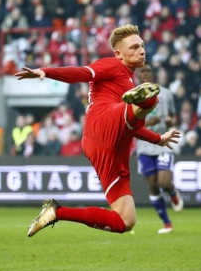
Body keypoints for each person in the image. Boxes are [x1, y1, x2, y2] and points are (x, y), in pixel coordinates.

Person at [15, 24, 180, 237]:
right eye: (134, 47)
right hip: (101, 123)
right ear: (118, 54)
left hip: (109, 144)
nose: (142, 50)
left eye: (142, 46)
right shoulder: (112, 65)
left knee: (126, 221)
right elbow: (81, 73)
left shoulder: (129, 79)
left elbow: (135, 127)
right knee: (152, 96)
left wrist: (158, 139)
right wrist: (45, 71)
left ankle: (56, 212)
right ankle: (143, 100)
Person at [135, 62, 183, 234]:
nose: (145, 74)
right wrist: (148, 123)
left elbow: (174, 119)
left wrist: (170, 122)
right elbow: (128, 124)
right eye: (142, 71)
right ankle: (167, 223)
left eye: (148, 71)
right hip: (144, 145)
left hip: (163, 142)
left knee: (163, 182)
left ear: (153, 74)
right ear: (138, 75)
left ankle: (172, 191)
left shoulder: (166, 94)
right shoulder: (132, 96)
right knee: (153, 186)